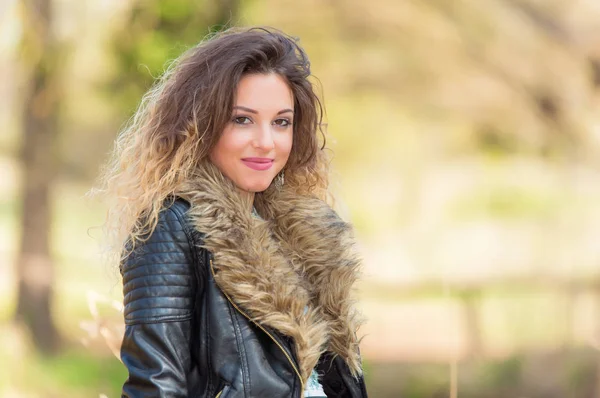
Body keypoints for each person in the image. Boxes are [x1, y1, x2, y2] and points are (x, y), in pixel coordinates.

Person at [96, 26, 368, 397]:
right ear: (201, 125)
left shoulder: (306, 234)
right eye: (242, 119)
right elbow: (155, 387)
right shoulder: (172, 229)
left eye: (281, 122)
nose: (266, 142)